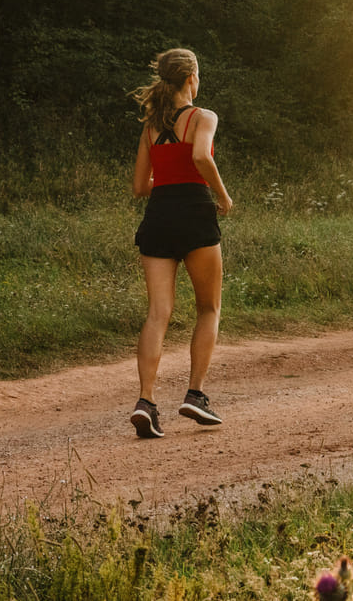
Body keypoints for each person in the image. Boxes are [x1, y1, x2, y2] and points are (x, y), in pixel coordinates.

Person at [129, 47, 235, 437]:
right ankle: (195, 394)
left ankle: (146, 401)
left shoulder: (150, 127)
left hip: (158, 216)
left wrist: (168, 179)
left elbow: (140, 187)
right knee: (208, 308)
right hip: (194, 214)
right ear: (191, 78)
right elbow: (201, 157)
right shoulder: (203, 116)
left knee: (158, 313)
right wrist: (222, 197)